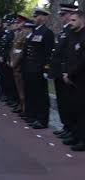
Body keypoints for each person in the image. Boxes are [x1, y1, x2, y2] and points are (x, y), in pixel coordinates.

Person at [48, 3, 78, 140]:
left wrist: (66, 72)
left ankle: (72, 129)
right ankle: (66, 126)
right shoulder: (64, 31)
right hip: (58, 72)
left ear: (71, 14)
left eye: (63, 14)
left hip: (65, 73)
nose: (61, 17)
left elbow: (69, 54)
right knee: (62, 102)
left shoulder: (72, 31)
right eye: (60, 14)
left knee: (68, 103)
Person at [21, 8, 55, 129]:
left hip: (39, 69)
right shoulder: (34, 32)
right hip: (29, 68)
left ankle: (42, 120)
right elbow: (27, 50)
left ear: (44, 18)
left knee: (41, 96)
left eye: (37, 17)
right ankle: (32, 115)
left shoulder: (47, 33)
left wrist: (46, 70)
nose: (34, 19)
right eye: (34, 17)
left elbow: (48, 54)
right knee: (31, 93)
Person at [62, 11, 85, 151]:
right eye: (70, 20)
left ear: (82, 20)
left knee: (82, 110)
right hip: (71, 78)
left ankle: (83, 139)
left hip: (81, 79)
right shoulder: (72, 34)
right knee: (74, 108)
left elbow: (83, 60)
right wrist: (65, 72)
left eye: (73, 20)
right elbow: (67, 55)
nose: (70, 22)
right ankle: (76, 135)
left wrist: (70, 74)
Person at [9, 15, 29, 114]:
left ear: (24, 23)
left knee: (22, 88)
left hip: (20, 65)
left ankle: (24, 108)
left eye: (19, 22)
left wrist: (14, 62)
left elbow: (21, 51)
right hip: (15, 64)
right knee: (18, 87)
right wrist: (12, 60)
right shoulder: (18, 33)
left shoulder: (26, 33)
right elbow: (13, 49)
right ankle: (21, 106)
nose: (17, 24)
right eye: (17, 23)